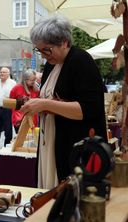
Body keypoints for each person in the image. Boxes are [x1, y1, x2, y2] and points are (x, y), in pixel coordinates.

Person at [21, 15, 107, 189]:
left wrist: (45, 105)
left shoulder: (81, 60)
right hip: (51, 142)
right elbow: (52, 100)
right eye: (40, 51)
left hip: (74, 147)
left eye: (47, 50)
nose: (44, 56)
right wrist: (38, 105)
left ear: (65, 42)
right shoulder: (52, 65)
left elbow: (89, 109)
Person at [0, 67, 16, 150]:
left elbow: (15, 96)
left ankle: (7, 145)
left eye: (4, 72)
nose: (1, 74)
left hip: (7, 108)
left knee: (8, 128)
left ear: (8, 74)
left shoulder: (12, 83)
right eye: (1, 72)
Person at [10, 69, 39, 133]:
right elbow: (11, 102)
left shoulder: (36, 89)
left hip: (33, 119)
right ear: (25, 80)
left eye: (34, 80)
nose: (34, 82)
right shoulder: (16, 88)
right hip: (19, 119)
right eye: (32, 80)